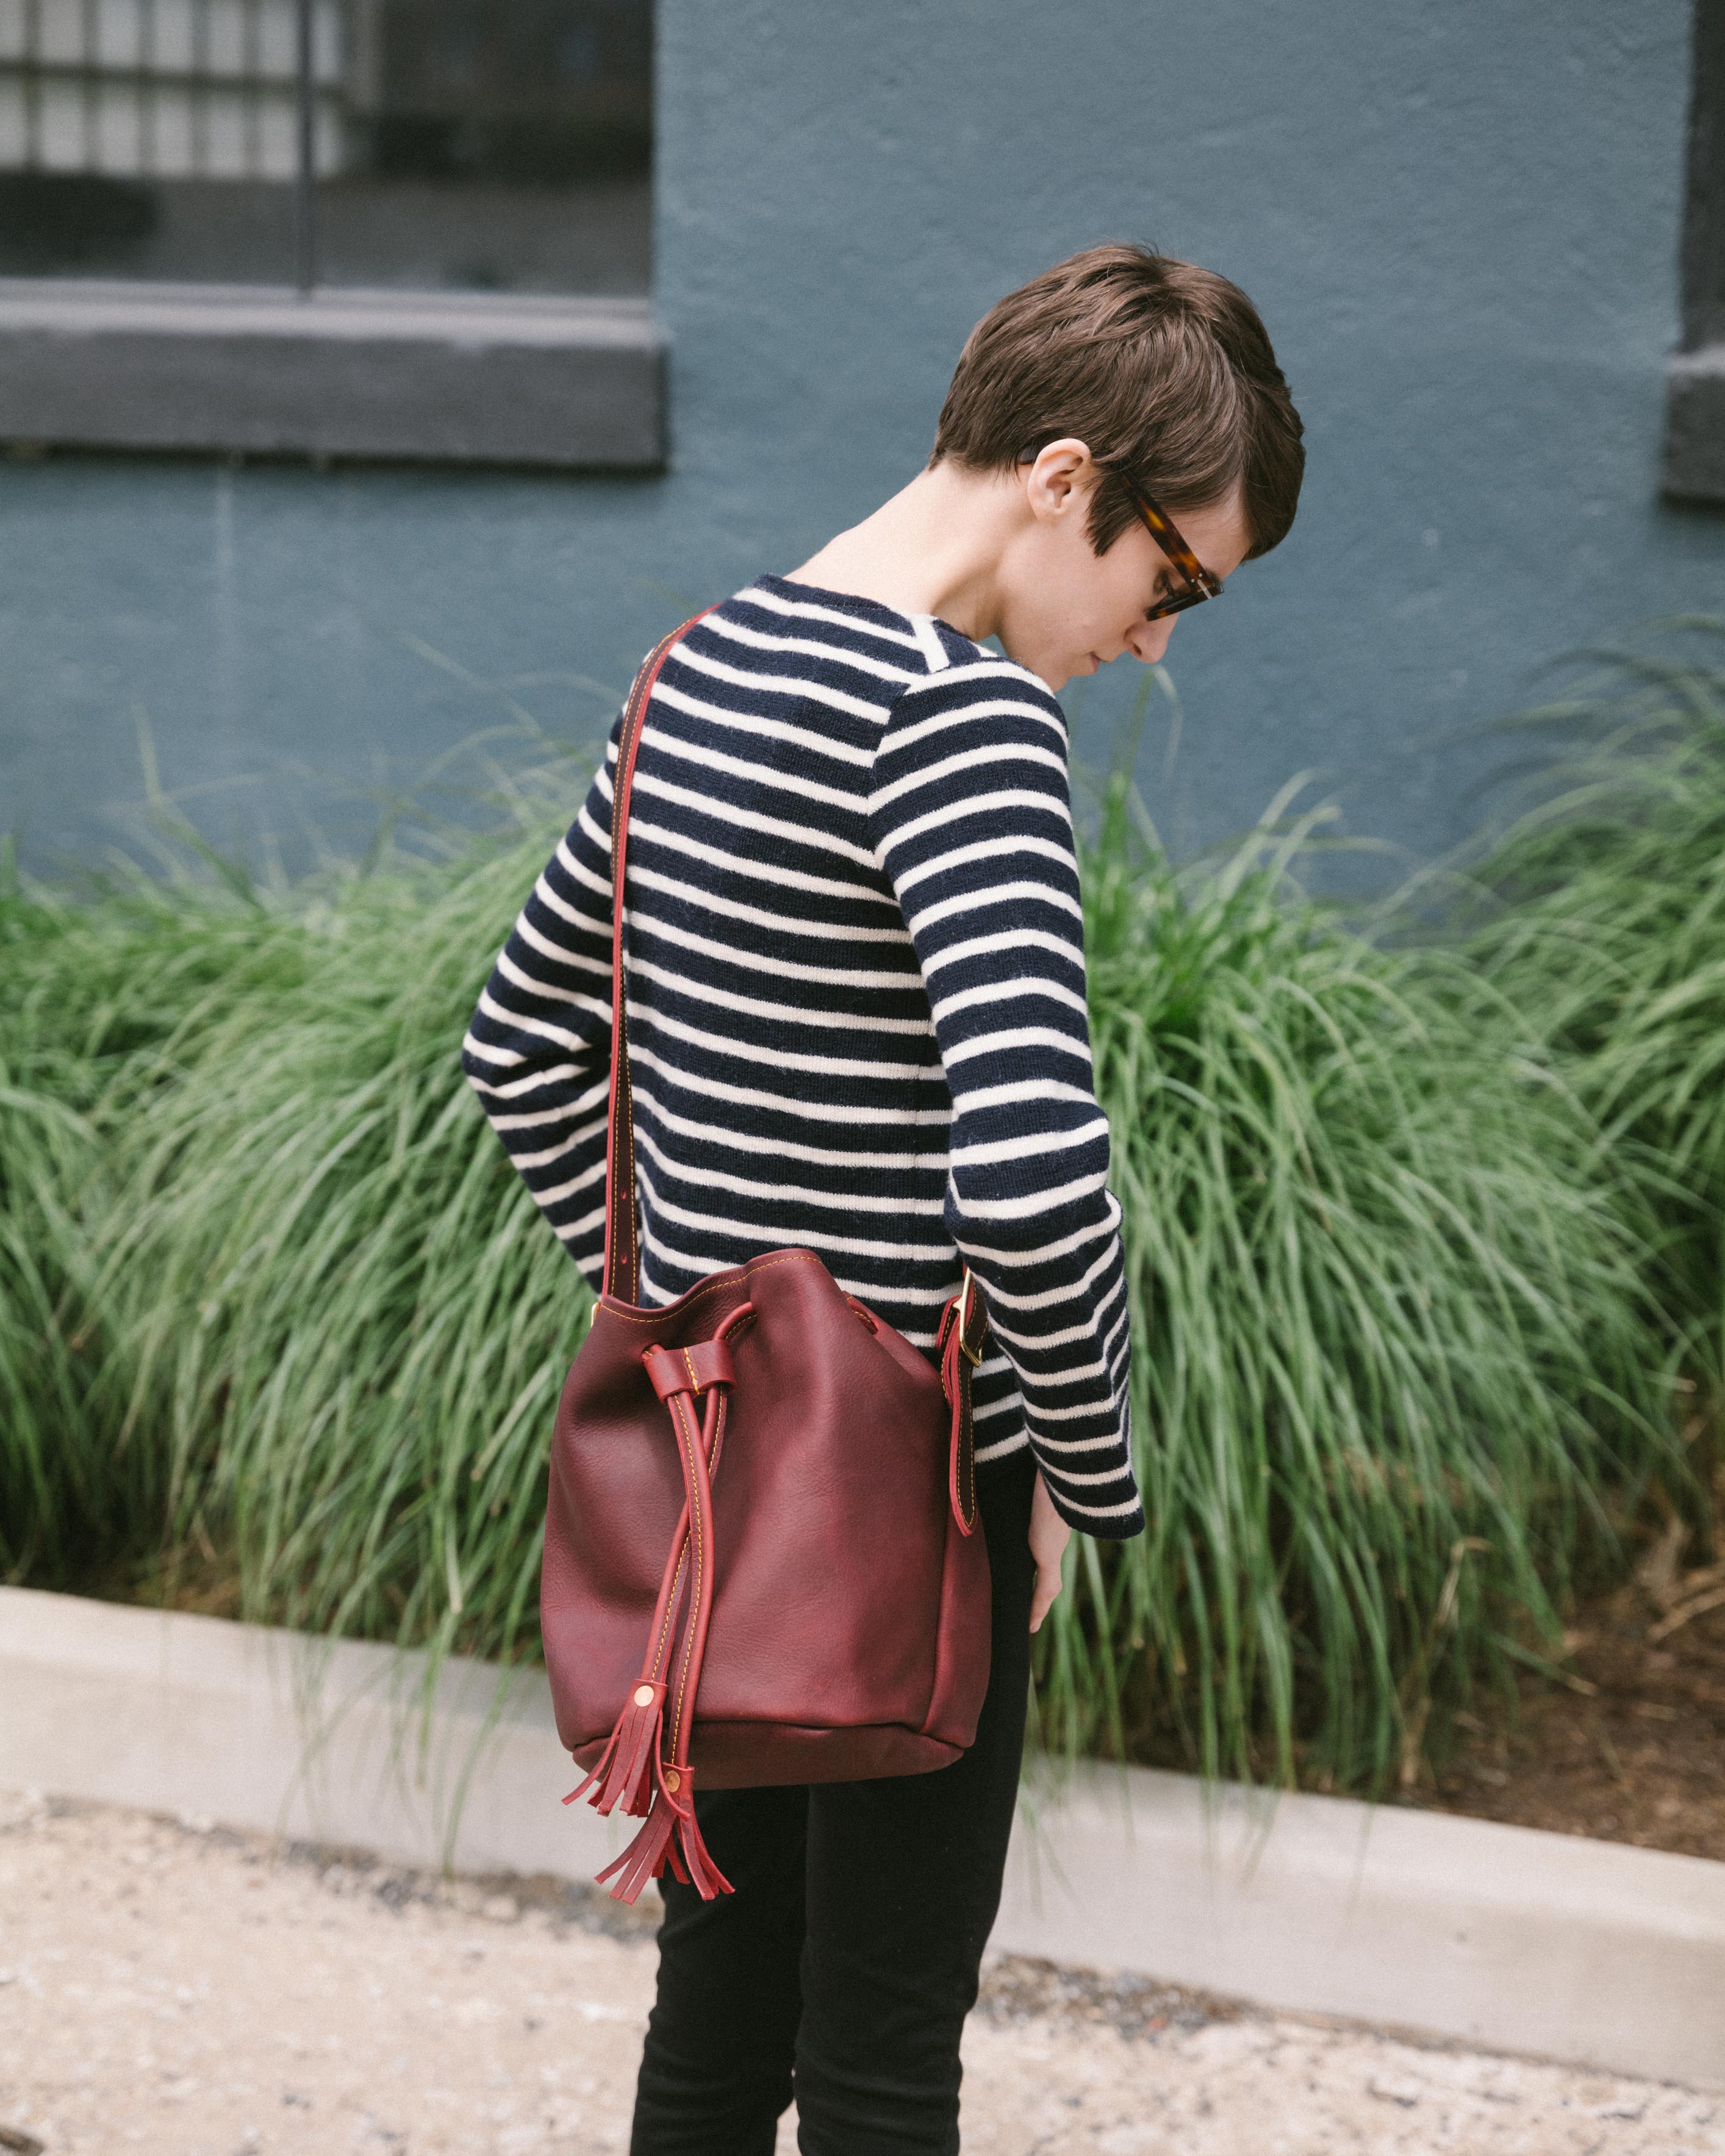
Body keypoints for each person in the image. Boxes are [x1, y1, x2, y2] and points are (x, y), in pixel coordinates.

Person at [462, 242, 1304, 2155]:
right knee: (877, 2049)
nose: (1159, 643)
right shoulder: (966, 722)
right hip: (917, 1492)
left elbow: (514, 1044)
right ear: (1067, 478)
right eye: (1173, 581)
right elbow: (1032, 1184)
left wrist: (682, 1309)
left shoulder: (698, 661)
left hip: (716, 1480)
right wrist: (1074, 1488)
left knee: (717, 2010)